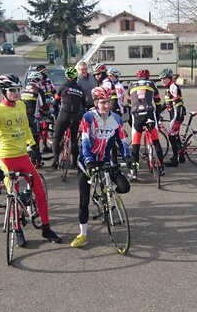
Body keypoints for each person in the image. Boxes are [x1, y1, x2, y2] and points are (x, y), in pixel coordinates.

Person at [0, 74, 61, 246]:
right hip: (6, 158)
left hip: (23, 156)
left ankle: (46, 228)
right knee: (13, 194)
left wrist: (33, 147)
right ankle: (17, 229)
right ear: (3, 91)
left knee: (39, 192)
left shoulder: (21, 105)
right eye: (13, 90)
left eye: (18, 89)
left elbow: (25, 128)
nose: (16, 93)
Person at [71, 87, 131, 248]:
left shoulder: (117, 119)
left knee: (125, 187)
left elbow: (122, 140)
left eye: (109, 102)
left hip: (105, 160)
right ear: (96, 103)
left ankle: (107, 194)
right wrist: (89, 160)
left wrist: (128, 157)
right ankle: (83, 234)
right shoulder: (88, 117)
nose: (106, 105)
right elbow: (84, 141)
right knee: (83, 201)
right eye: (103, 102)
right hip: (87, 162)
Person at [127, 68, 166, 180]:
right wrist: (157, 116)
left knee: (136, 144)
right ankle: (161, 167)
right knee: (156, 141)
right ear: (147, 77)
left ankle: (134, 172)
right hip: (149, 113)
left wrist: (130, 120)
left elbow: (129, 105)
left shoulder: (131, 84)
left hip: (136, 114)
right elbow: (158, 103)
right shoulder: (152, 83)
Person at [51, 67, 86, 170]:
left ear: (66, 76)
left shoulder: (63, 87)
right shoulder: (80, 90)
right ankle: (74, 163)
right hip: (76, 115)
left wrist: (55, 110)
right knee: (74, 140)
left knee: (57, 137)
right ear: (76, 77)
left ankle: (55, 161)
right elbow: (83, 104)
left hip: (64, 114)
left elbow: (55, 102)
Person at [160, 68, 186, 168]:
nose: (162, 81)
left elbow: (178, 102)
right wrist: (156, 111)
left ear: (170, 78)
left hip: (176, 115)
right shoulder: (168, 88)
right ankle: (182, 156)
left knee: (171, 137)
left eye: (164, 79)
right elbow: (165, 104)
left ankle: (175, 160)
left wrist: (177, 118)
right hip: (174, 115)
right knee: (176, 137)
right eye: (161, 79)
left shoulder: (173, 87)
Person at [20, 71, 46, 166]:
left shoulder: (23, 90)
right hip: (33, 119)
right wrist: (48, 112)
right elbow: (43, 106)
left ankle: (24, 159)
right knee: (35, 139)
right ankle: (36, 161)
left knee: (25, 138)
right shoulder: (38, 91)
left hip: (22, 118)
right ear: (38, 80)